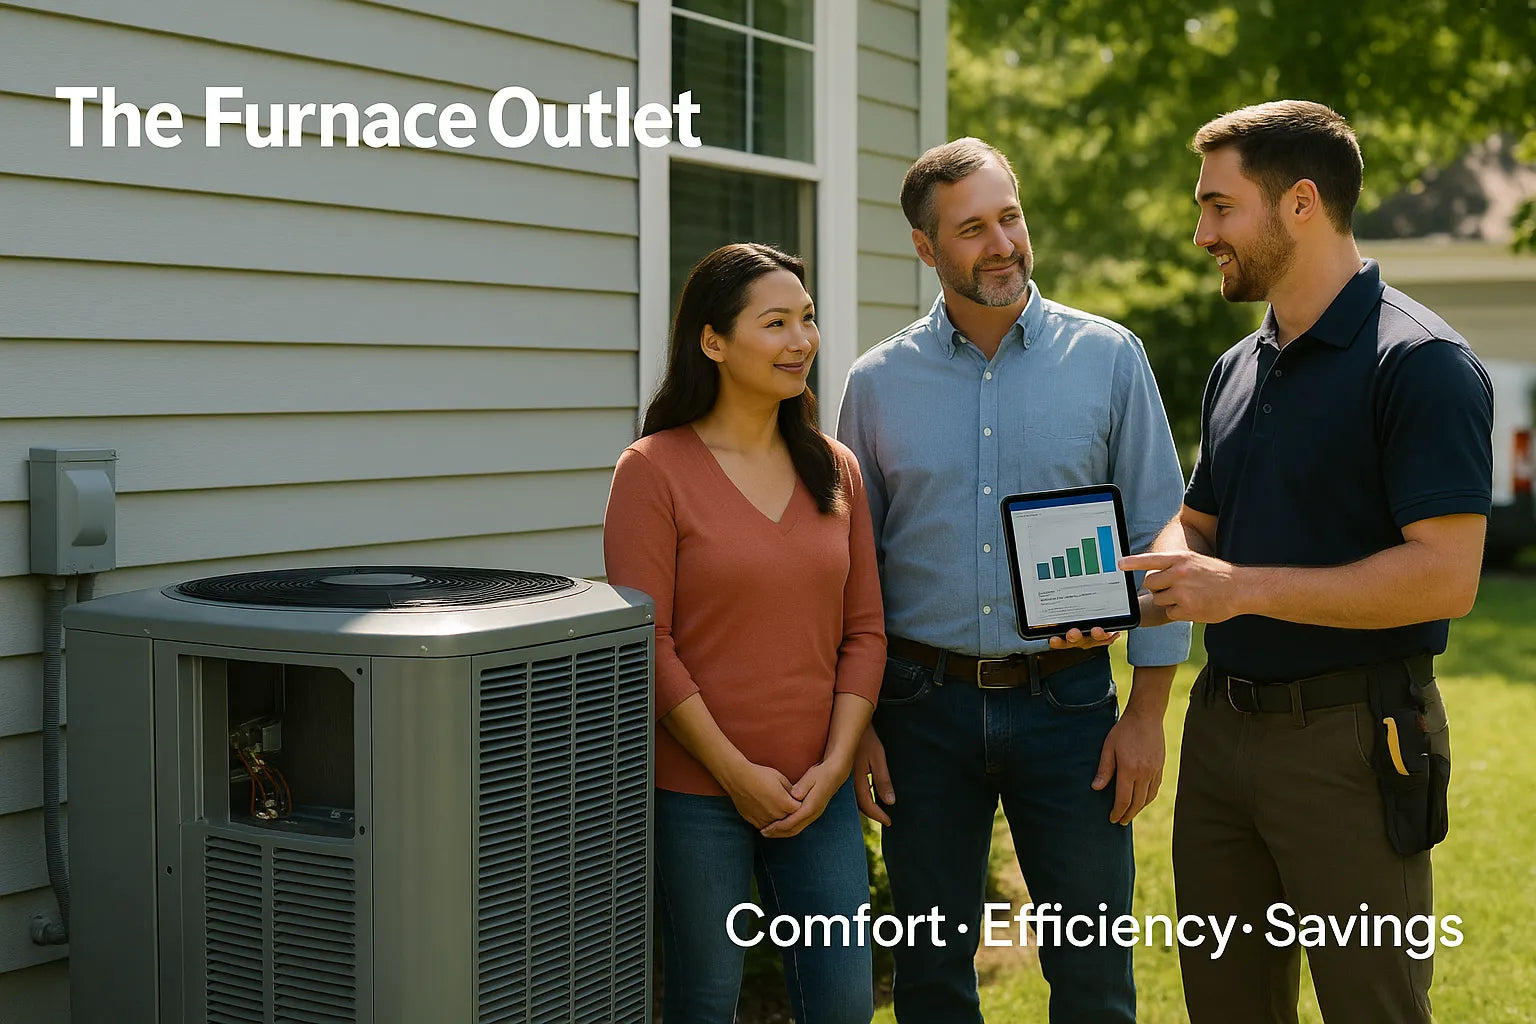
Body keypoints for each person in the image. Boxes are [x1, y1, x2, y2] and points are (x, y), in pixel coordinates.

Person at [1119, 100, 1493, 1024]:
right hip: (1221, 736)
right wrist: (1138, 586)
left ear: (1300, 203)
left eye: (1220, 206)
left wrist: (1238, 591)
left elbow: (1447, 576)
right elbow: (1197, 526)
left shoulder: (1422, 363)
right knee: (1226, 1005)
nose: (1201, 233)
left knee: (1373, 1007)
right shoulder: (1238, 366)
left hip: (1354, 742)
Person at [837, 137, 1191, 1023]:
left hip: (1071, 710)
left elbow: (1162, 532)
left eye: (1010, 218)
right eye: (972, 229)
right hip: (919, 711)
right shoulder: (876, 384)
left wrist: (1145, 713)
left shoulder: (1109, 358)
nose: (1002, 244)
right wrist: (861, 722)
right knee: (929, 978)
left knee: (1095, 978)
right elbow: (851, 571)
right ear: (925, 247)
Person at [603, 242, 884, 1024]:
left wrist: (835, 764)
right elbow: (649, 641)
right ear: (713, 340)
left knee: (844, 1005)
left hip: (818, 791)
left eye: (808, 319)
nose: (802, 340)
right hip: (696, 793)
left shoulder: (836, 469)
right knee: (704, 1002)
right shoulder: (652, 470)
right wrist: (733, 773)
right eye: (776, 323)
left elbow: (866, 631)